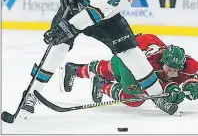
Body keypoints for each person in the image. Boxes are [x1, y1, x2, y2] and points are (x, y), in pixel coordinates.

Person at [19, 0, 178, 119]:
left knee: (132, 53)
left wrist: (67, 27)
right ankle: (31, 94)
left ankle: (159, 95)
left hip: (106, 18)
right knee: (57, 48)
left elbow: (93, 14)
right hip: (76, 6)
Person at [64, 34, 198, 108]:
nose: (171, 73)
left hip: (145, 44)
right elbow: (151, 86)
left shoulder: (189, 66)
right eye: (169, 68)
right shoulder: (150, 63)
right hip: (130, 55)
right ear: (162, 61)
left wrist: (192, 85)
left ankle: (102, 84)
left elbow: (194, 77)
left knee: (135, 99)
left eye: (175, 70)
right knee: (131, 91)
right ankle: (78, 71)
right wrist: (169, 88)